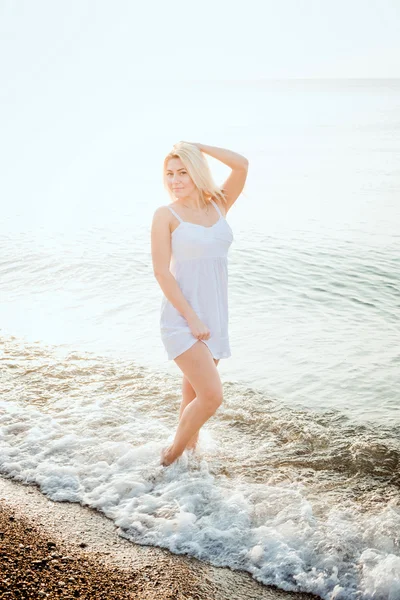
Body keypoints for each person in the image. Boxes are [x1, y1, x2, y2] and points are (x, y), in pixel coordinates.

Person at [151, 141, 248, 466]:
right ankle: (169, 457)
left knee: (192, 395)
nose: (175, 180)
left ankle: (185, 468)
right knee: (211, 396)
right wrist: (191, 318)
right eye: (169, 174)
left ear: (196, 172)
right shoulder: (166, 215)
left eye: (182, 172)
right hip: (182, 318)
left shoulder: (218, 205)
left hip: (215, 316)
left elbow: (241, 164)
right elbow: (162, 272)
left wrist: (199, 147)